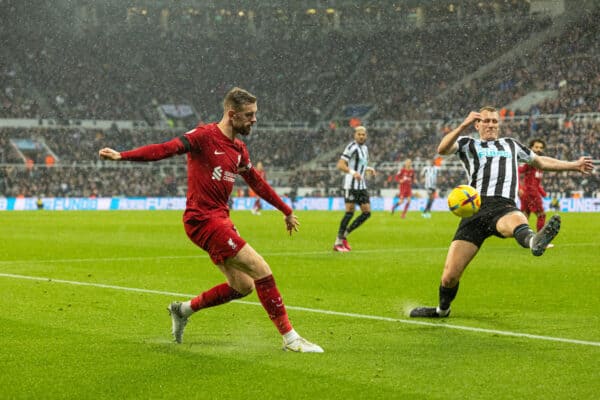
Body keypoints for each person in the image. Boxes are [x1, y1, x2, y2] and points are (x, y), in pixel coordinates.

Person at [99, 87, 323, 352]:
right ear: (232, 114)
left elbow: (257, 183)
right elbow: (166, 149)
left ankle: (183, 310)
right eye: (249, 115)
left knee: (243, 286)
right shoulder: (204, 136)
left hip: (221, 220)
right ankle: (291, 339)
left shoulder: (239, 149)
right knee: (262, 269)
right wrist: (123, 155)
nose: (254, 120)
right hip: (202, 220)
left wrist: (285, 210)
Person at [410, 106, 593, 318]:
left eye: (494, 121)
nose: (490, 125)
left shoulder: (511, 145)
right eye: (486, 121)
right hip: (474, 210)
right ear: (477, 125)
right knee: (449, 277)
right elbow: (442, 149)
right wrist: (462, 125)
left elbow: (541, 162)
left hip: (503, 205)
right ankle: (442, 310)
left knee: (516, 221)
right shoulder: (468, 143)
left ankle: (535, 241)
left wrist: (574, 165)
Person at [333, 125, 376, 252]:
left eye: (363, 134)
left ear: (366, 136)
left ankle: (345, 235)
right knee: (349, 212)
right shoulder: (351, 147)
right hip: (351, 185)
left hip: (361, 186)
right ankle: (338, 242)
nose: (361, 136)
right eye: (359, 134)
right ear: (355, 135)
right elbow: (340, 165)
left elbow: (361, 166)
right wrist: (353, 173)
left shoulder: (365, 149)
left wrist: (369, 169)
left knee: (367, 213)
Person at [518, 139, 547, 232]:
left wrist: (542, 193)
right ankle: (540, 240)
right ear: (531, 148)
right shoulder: (530, 161)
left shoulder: (539, 163)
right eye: (536, 147)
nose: (539, 149)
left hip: (529, 193)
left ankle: (523, 236)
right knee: (541, 215)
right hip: (530, 193)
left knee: (525, 216)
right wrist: (519, 188)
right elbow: (516, 171)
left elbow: (536, 182)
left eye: (541, 148)